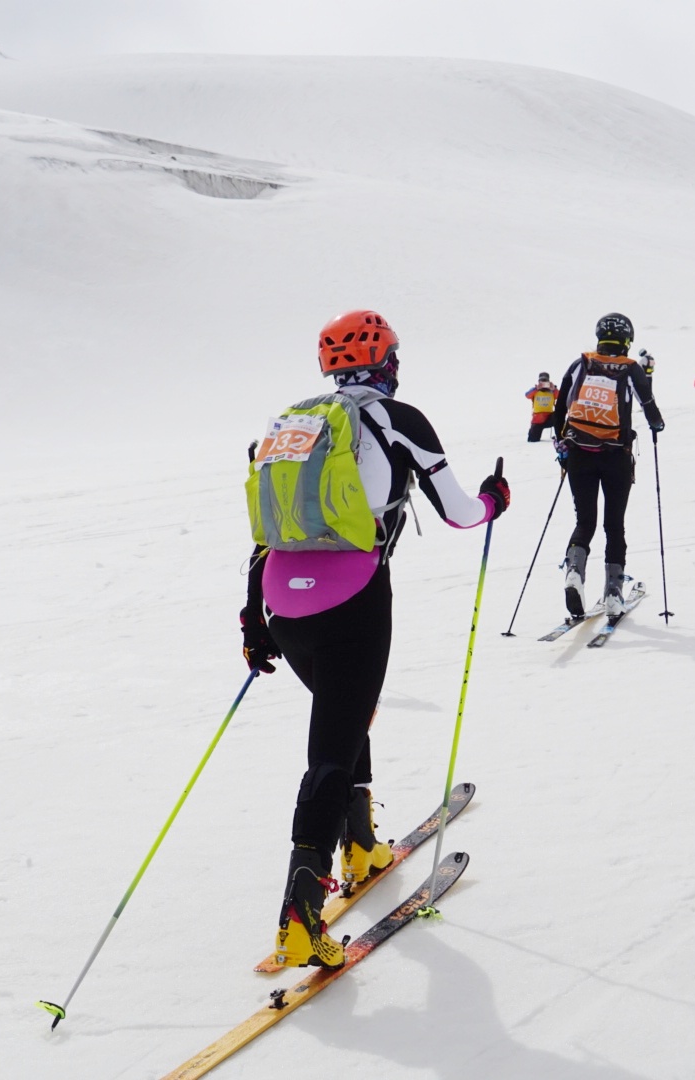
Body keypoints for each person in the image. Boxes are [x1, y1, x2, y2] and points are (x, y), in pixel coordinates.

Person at [240, 309, 511, 969]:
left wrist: (253, 619)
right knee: (332, 747)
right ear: (387, 361)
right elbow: (460, 511)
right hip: (355, 599)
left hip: (281, 601)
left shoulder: (293, 422)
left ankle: (360, 845)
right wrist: (495, 499)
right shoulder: (398, 419)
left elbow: (266, 527)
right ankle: (299, 921)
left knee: (344, 711)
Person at [549, 312, 664, 619]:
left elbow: (559, 410)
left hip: (578, 454)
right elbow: (650, 409)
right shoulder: (631, 369)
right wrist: (656, 422)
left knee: (584, 521)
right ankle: (613, 593)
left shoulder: (580, 365)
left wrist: (563, 449)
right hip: (616, 456)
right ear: (627, 341)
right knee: (614, 525)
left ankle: (574, 571)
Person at [524, 372, 559, 441]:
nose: (543, 384)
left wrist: (554, 389)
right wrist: (536, 389)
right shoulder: (535, 391)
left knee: (559, 415)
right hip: (537, 419)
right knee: (532, 440)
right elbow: (527, 395)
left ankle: (560, 435)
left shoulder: (552, 391)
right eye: (541, 381)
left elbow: (561, 396)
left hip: (550, 417)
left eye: (545, 381)